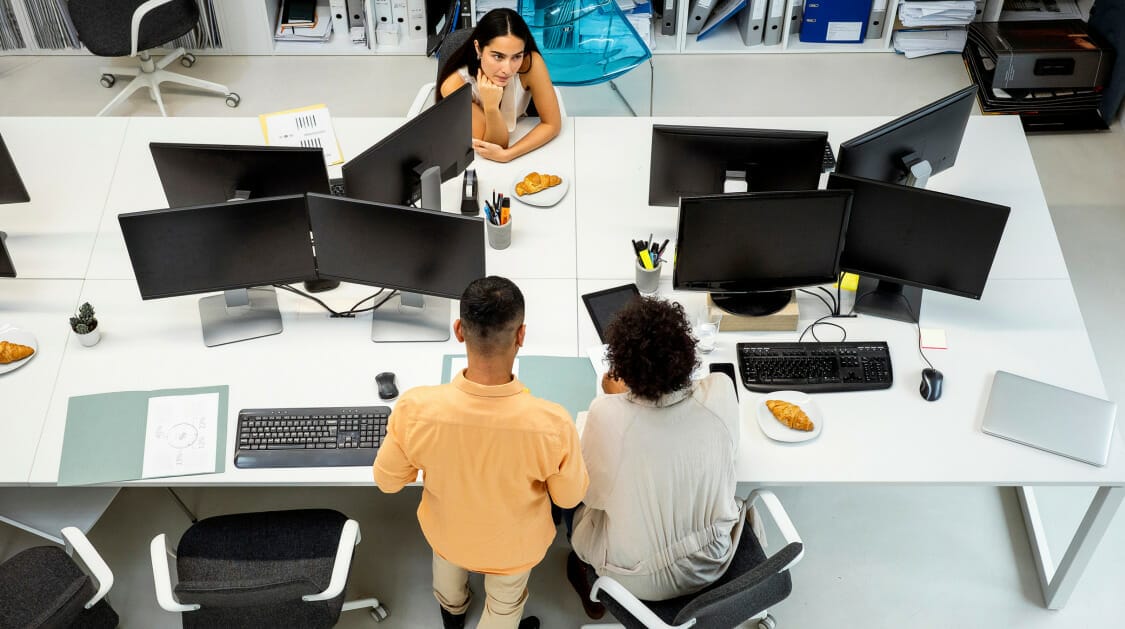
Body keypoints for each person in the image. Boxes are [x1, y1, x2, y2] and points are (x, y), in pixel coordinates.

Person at [373, 276, 588, 629]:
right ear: (521, 336)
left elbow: (387, 483)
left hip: (447, 535)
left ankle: (452, 612)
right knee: (505, 604)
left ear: (459, 330)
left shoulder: (415, 409)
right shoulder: (552, 423)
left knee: (448, 574)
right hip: (514, 548)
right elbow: (568, 496)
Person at [568, 297, 744, 613]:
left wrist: (617, 399)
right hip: (712, 562)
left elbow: (589, 496)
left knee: (569, 504)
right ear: (687, 353)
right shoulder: (720, 391)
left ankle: (585, 574)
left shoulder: (607, 415)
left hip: (638, 580)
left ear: (622, 368)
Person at [436, 8, 562, 163]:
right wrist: (491, 106)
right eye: (498, 56)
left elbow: (552, 124)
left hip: (522, 136)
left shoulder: (531, 63)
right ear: (478, 48)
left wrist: (510, 154)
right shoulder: (455, 84)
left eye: (516, 56)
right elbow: (492, 145)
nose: (507, 70)